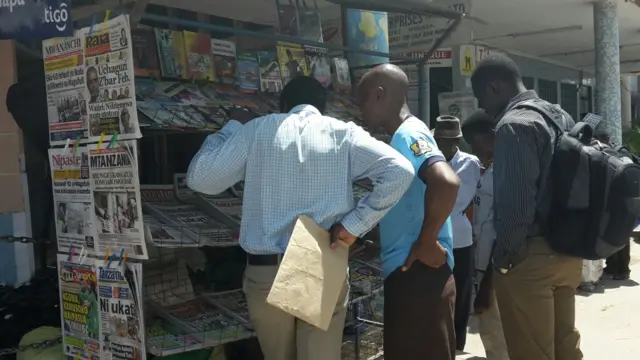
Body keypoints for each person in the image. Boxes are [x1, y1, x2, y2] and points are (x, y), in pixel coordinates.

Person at [186, 76, 415, 360]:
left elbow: (200, 179)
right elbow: (400, 171)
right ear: (322, 106)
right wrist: (354, 225)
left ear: (283, 105)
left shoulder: (257, 130)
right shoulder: (342, 133)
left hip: (267, 268)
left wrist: (233, 126)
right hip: (320, 261)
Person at [471, 54, 582, 360]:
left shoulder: (513, 125)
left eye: (481, 98)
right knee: (565, 347)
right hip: (566, 250)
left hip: (529, 258)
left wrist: (504, 261)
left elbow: (516, 207)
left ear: (494, 87)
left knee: (531, 351)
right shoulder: (559, 115)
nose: (483, 108)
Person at [358, 64, 460, 360]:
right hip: (414, 275)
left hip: (419, 277)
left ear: (379, 96)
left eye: (362, 100)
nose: (360, 111)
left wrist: (427, 241)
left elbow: (446, 181)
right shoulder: (402, 137)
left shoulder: (408, 135)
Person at [461, 110, 509, 360]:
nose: (475, 150)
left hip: (495, 267)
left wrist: (488, 280)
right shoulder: (489, 170)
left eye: (475, 143)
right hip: (485, 264)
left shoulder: (504, 172)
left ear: (490, 136)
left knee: (495, 329)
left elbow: (504, 228)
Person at [433, 115, 481, 352]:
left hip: (461, 237)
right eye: (440, 139)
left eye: (449, 140)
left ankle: (458, 343)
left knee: (461, 294)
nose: (444, 144)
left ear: (457, 141)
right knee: (437, 293)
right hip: (434, 236)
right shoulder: (429, 163)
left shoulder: (471, 164)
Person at [594, 127, 632, 280]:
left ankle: (623, 269)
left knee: (621, 236)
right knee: (612, 234)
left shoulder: (617, 153)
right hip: (615, 201)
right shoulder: (612, 153)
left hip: (621, 202)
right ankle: (612, 266)